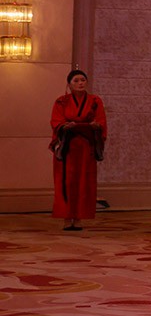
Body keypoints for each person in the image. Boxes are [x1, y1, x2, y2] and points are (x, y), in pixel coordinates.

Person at [50, 69, 107, 230]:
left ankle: (79, 217)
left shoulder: (95, 101)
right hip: (68, 147)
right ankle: (67, 217)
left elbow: (101, 121)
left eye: (83, 80)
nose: (80, 83)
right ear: (69, 84)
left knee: (84, 182)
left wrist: (95, 126)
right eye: (76, 80)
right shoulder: (61, 101)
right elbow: (56, 121)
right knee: (66, 182)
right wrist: (65, 126)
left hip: (86, 147)